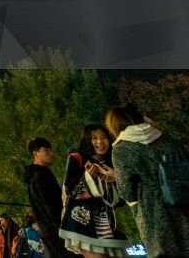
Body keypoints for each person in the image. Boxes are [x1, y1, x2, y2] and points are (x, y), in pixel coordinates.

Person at [106, 104, 189, 257]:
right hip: (183, 205)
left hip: (153, 213)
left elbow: (127, 192)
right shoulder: (165, 137)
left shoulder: (121, 149)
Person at [58, 124, 129, 257]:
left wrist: (111, 183)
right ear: (87, 140)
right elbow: (71, 190)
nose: (100, 142)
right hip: (82, 220)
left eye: (104, 138)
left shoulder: (113, 161)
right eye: (94, 138)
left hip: (107, 221)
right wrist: (88, 178)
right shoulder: (76, 158)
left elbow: (121, 200)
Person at [23, 138, 78, 258]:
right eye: (46, 151)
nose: (51, 154)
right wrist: (64, 228)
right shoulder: (40, 176)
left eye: (51, 150)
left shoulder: (36, 175)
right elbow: (51, 207)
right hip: (58, 232)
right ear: (35, 153)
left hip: (50, 232)